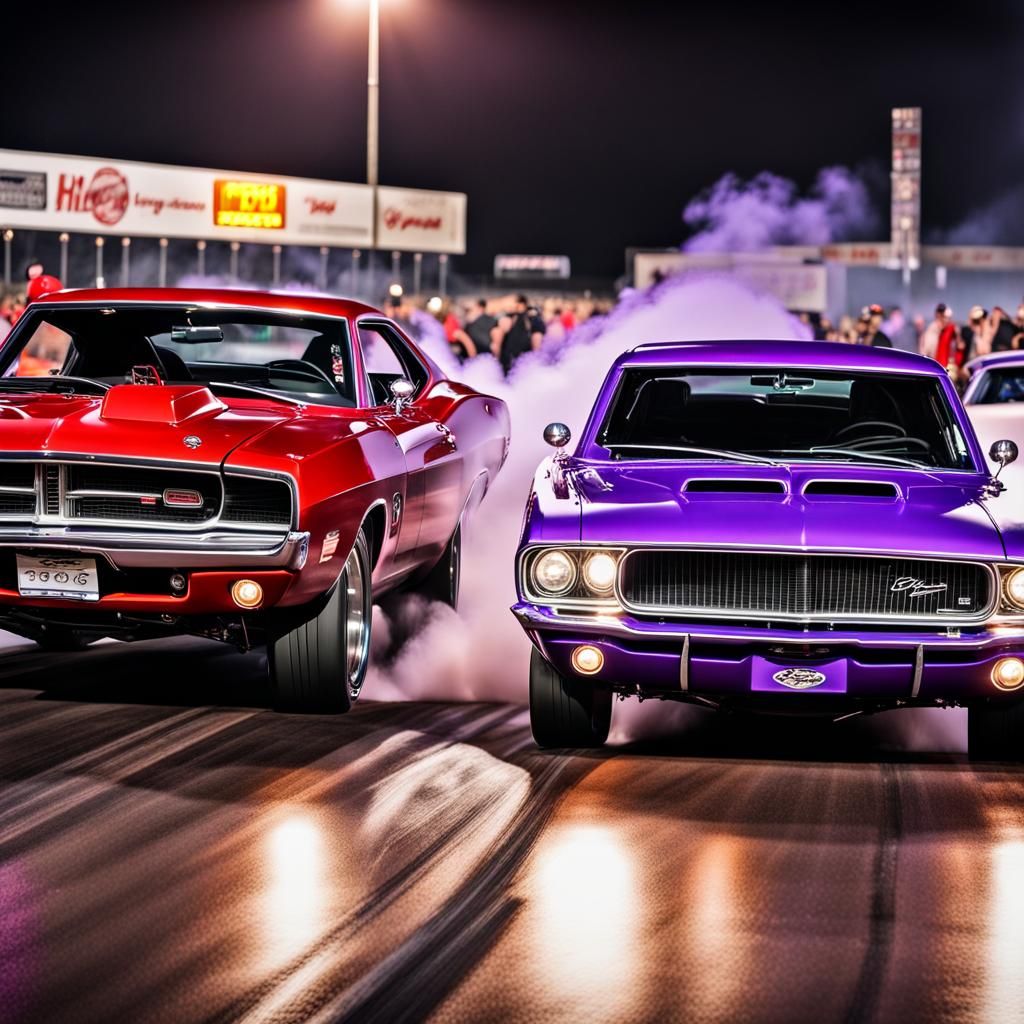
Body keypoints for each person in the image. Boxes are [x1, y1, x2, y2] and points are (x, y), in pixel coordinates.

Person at [492, 295, 545, 375]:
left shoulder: (527, 318)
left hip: (512, 358)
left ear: (520, 304)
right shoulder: (532, 318)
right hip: (521, 359)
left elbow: (536, 339)